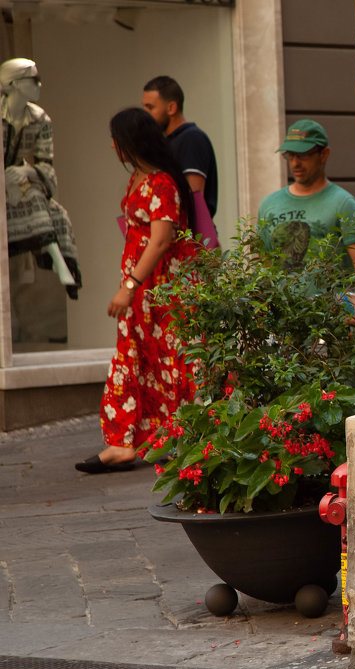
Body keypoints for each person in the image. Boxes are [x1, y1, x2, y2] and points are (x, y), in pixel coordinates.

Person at [75, 108, 198, 474]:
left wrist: (129, 287)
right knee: (141, 361)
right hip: (145, 289)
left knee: (162, 361)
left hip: (159, 289)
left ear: (131, 142)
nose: (113, 145)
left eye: (116, 139)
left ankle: (136, 442)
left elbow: (160, 241)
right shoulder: (140, 180)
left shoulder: (162, 183)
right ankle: (129, 441)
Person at [257, 119, 355, 330]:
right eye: (291, 155)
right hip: (283, 322)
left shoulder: (344, 204)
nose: (296, 163)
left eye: (304, 155)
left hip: (332, 319)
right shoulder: (269, 205)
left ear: (323, 155)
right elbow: (264, 267)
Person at [2, 57, 82, 344]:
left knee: (53, 210)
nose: (38, 85)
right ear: (12, 84)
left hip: (22, 185)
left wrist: (27, 171)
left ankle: (60, 259)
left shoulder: (40, 119)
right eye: (31, 80)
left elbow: (46, 164)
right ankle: (56, 259)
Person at [141, 76, 218, 221]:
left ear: (171, 108)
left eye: (150, 107)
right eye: (144, 107)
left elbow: (194, 198)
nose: (145, 114)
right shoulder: (165, 142)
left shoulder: (191, 139)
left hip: (189, 237)